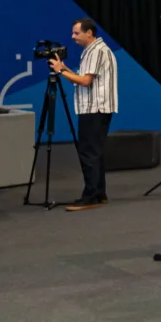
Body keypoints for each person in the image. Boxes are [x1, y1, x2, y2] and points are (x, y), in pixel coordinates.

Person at [49, 18, 119, 212]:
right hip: (96, 108)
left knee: (89, 153)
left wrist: (61, 71)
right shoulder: (94, 50)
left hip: (94, 108)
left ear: (89, 33)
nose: (73, 37)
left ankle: (90, 196)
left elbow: (86, 81)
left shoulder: (96, 51)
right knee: (95, 152)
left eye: (76, 33)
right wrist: (64, 68)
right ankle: (99, 194)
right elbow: (81, 78)